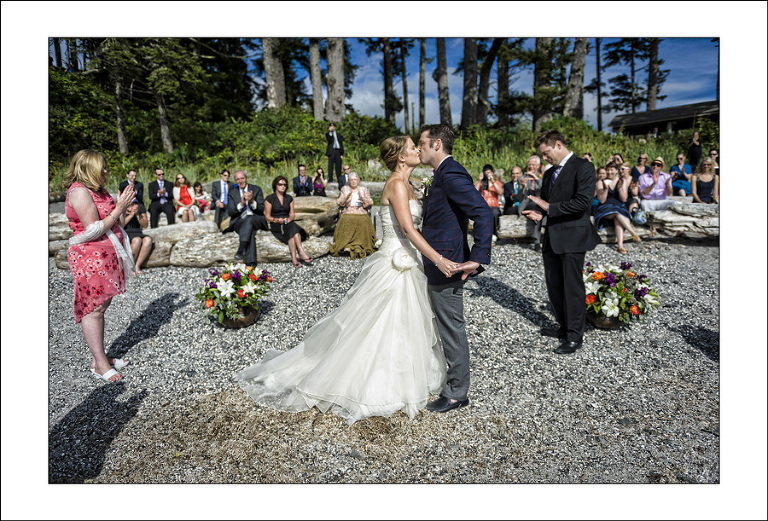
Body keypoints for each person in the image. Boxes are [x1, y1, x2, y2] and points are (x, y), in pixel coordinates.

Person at [237, 135, 461, 425]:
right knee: (381, 320)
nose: (418, 149)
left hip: (410, 261)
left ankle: (408, 371)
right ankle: (374, 381)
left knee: (406, 320)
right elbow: (407, 229)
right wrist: (439, 259)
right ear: (401, 158)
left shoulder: (409, 184)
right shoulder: (395, 184)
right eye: (412, 147)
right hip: (395, 261)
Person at [418, 123, 493, 413]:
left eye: (422, 143)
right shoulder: (441, 175)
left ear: (437, 144)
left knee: (451, 326)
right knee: (444, 323)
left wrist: (478, 256)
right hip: (436, 258)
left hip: (446, 262)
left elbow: (482, 212)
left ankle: (457, 392)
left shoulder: (451, 173)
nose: (419, 147)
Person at [522, 130, 600, 355]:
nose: (544, 159)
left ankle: (575, 335)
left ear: (558, 144)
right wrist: (539, 213)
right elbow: (546, 202)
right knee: (554, 284)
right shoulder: (549, 174)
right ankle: (564, 327)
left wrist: (549, 209)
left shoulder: (583, 167)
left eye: (546, 154)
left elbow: (583, 203)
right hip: (552, 236)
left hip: (574, 236)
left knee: (572, 287)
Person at [64, 150, 136, 382]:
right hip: (89, 258)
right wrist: (119, 208)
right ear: (88, 168)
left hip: (107, 255)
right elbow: (93, 228)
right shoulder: (79, 192)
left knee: (101, 308)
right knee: (93, 310)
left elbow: (115, 222)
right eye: (102, 166)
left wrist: (125, 208)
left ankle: (99, 357)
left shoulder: (98, 190)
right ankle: (99, 365)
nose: (106, 170)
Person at [264, 175, 313, 268]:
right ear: (276, 185)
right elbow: (267, 216)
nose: (283, 186)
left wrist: (289, 219)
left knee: (291, 227)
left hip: (287, 221)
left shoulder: (289, 198)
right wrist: (276, 220)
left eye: (285, 185)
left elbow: (292, 214)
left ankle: (295, 258)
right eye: (280, 184)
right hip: (276, 223)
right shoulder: (269, 199)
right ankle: (301, 253)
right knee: (293, 230)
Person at [593, 162, 642, 254]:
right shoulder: (600, 182)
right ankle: (633, 233)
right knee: (616, 212)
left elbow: (624, 199)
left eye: (612, 170)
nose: (609, 172)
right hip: (605, 208)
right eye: (608, 170)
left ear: (616, 171)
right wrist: (606, 189)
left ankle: (620, 246)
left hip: (619, 207)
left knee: (617, 219)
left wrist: (620, 189)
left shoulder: (621, 181)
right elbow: (602, 200)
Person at [330, 172, 377, 259]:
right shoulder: (345, 189)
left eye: (355, 179)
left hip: (361, 211)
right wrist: (345, 198)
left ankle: (361, 244)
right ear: (348, 181)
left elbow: (371, 202)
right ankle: (346, 244)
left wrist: (363, 199)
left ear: (358, 180)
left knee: (363, 220)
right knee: (346, 219)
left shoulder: (364, 189)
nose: (354, 181)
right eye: (351, 180)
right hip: (348, 211)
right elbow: (338, 202)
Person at [227, 170, 268, 267]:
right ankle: (251, 264)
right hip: (239, 221)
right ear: (235, 181)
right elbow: (231, 212)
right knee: (249, 230)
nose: (240, 181)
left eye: (242, 178)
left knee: (249, 219)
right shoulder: (232, 193)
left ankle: (241, 250)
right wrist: (241, 203)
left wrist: (252, 201)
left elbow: (262, 208)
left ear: (246, 178)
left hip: (256, 219)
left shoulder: (256, 189)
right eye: (237, 179)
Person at [638, 156, 674, 236]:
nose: (655, 166)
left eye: (658, 165)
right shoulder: (643, 177)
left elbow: (669, 193)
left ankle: (679, 230)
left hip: (662, 201)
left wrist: (667, 185)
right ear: (651, 165)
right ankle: (652, 227)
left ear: (661, 167)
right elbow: (644, 194)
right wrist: (654, 183)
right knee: (643, 203)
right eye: (654, 164)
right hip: (649, 201)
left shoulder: (667, 177)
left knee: (677, 203)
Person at [474, 163, 504, 237]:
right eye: (485, 173)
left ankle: (494, 233)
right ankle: (481, 233)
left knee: (494, 212)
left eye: (488, 173)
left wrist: (493, 181)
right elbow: (473, 192)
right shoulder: (479, 183)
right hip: (482, 205)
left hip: (494, 206)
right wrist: (480, 180)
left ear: (492, 173)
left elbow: (500, 192)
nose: (487, 175)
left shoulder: (497, 183)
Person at [124, 200, 153, 274]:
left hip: (137, 231)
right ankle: (130, 266)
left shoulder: (140, 208)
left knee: (148, 240)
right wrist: (130, 215)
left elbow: (145, 225)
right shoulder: (122, 207)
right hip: (126, 231)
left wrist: (137, 215)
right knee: (137, 240)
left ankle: (137, 266)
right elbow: (121, 225)